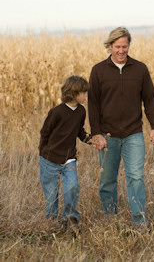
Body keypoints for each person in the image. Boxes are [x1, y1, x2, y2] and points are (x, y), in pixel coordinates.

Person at [88, 27, 154, 226]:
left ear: (129, 46)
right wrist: (96, 133)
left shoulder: (140, 69)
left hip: (133, 134)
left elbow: (150, 99)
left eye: (125, 46)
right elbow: (92, 104)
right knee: (107, 180)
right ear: (110, 46)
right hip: (107, 134)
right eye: (117, 46)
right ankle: (110, 218)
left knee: (136, 177)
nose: (121, 50)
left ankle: (139, 220)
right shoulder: (98, 70)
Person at [39, 75, 91, 233]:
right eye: (84, 93)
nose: (86, 95)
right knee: (51, 195)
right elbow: (45, 132)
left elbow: (79, 132)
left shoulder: (81, 111)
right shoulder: (56, 112)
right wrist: (43, 152)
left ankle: (70, 219)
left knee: (72, 187)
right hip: (50, 159)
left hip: (69, 159)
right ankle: (52, 223)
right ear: (74, 93)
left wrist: (90, 139)